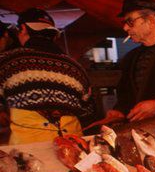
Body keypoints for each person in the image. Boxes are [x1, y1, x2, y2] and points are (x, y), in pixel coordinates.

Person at [0, 8, 92, 144]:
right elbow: (88, 111)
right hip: (73, 148)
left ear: (23, 29)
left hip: (29, 151)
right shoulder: (76, 67)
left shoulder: (8, 61)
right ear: (53, 34)